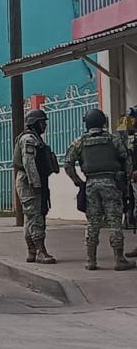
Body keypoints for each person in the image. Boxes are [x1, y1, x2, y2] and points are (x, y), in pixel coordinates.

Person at [64, 108, 136, 271]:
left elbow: (68, 163)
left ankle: (91, 260)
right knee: (114, 220)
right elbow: (127, 159)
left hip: (91, 184)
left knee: (93, 222)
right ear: (103, 122)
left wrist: (79, 182)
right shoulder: (113, 140)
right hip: (111, 182)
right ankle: (119, 259)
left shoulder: (80, 141)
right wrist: (126, 180)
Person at [13, 109, 58, 264]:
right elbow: (29, 162)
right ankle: (40, 251)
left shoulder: (36, 138)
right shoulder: (29, 139)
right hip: (29, 182)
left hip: (33, 181)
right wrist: (35, 183)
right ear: (34, 123)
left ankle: (32, 251)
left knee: (31, 217)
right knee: (36, 216)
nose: (44, 125)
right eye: (42, 122)